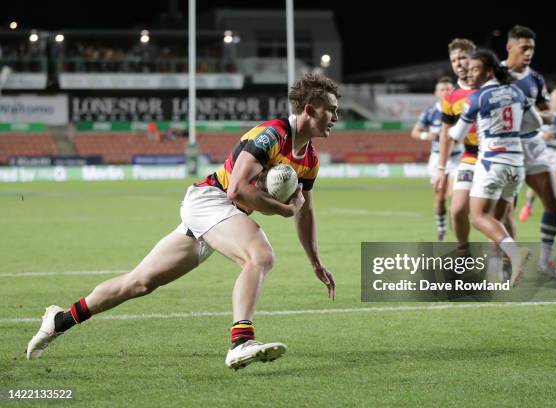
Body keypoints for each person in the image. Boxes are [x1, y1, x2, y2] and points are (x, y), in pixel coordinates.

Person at [26, 73, 339, 370]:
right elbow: (237, 189)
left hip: (224, 216)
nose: (336, 118)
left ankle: (60, 320)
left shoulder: (309, 159)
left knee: (139, 282)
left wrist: (315, 262)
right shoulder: (272, 134)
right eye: (331, 110)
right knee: (260, 255)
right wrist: (281, 210)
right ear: (310, 110)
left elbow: (306, 211)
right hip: (211, 200)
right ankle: (240, 342)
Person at [447, 49, 537, 286]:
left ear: (488, 71)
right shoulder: (517, 91)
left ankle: (516, 256)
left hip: (492, 162)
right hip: (516, 165)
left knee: (478, 217)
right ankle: (498, 271)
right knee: (500, 218)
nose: (470, 72)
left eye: (476, 69)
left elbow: (457, 134)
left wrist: (448, 130)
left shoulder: (478, 97)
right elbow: (535, 123)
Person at [503, 26, 556, 279]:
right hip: (506, 149)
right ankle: (508, 265)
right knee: (506, 212)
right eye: (524, 48)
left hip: (534, 147)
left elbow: (548, 113)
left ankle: (545, 261)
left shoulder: (536, 79)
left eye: (532, 49)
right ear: (510, 47)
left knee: (552, 202)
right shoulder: (495, 74)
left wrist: (535, 112)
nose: (528, 53)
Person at [434, 38, 478, 256]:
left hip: (497, 158)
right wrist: (441, 169)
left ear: (473, 57)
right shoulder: (451, 97)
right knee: (457, 210)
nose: (458, 63)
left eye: (462, 57)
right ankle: (464, 253)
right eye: (454, 60)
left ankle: (505, 262)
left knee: (501, 216)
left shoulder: (491, 86)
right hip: (470, 157)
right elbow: (445, 134)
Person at [411, 76, 462, 241]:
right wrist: (427, 135)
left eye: (449, 88)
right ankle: (441, 230)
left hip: (457, 158)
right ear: (436, 92)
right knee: (440, 198)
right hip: (437, 158)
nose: (446, 91)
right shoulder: (430, 112)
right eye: (442, 89)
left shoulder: (460, 109)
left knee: (455, 197)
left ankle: (458, 232)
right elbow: (415, 132)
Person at [520, 84, 556, 219]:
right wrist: (542, 136)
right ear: (552, 96)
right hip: (541, 150)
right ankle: (528, 205)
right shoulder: (542, 110)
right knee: (539, 182)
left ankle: (550, 209)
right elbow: (529, 128)